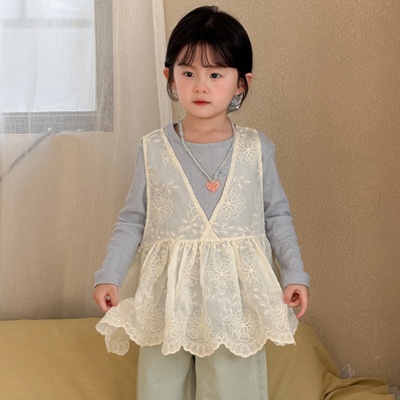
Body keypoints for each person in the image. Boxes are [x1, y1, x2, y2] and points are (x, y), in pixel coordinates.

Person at [93, 5, 309, 400]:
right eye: (188, 73)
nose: (201, 86)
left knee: (233, 386)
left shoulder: (256, 149)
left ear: (241, 83)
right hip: (167, 297)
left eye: (215, 74)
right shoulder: (153, 149)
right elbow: (133, 219)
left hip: (234, 296)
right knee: (160, 386)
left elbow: (277, 215)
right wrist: (110, 274)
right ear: (170, 77)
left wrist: (294, 273)